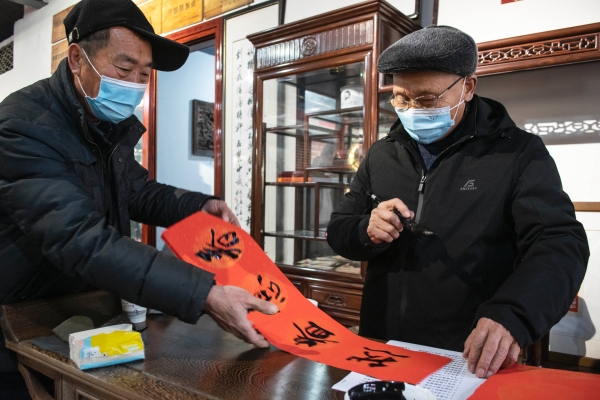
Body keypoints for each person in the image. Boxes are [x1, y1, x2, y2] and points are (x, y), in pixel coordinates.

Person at [0, 0, 276, 396]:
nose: (133, 84)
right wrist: (204, 293)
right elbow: (79, 238)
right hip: (16, 313)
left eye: (144, 74)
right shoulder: (24, 125)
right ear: (77, 59)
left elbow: (136, 190)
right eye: (124, 67)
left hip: (80, 305)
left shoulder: (107, 125)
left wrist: (198, 205)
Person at [326, 26, 588, 379]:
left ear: (467, 86)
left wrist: (513, 314)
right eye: (401, 98)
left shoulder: (518, 153)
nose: (412, 110)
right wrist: (366, 230)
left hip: (466, 350)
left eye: (427, 99)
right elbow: (339, 229)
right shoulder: (382, 154)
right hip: (382, 342)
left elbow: (559, 242)